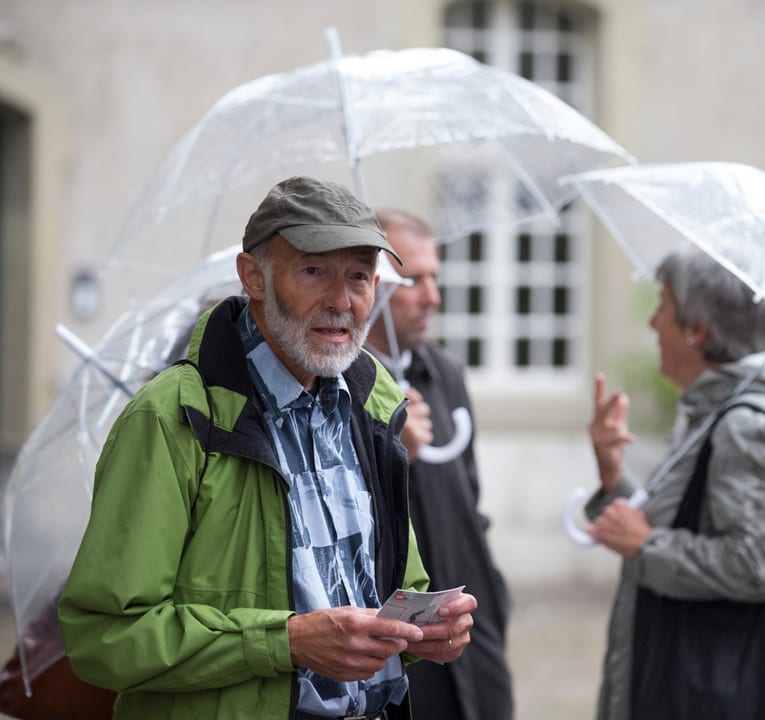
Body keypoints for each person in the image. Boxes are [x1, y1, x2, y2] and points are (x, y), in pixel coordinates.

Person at [57, 177, 477, 720]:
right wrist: (287, 641)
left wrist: (424, 627)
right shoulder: (173, 418)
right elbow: (103, 636)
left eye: (358, 277)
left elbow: (400, 587)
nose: (342, 301)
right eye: (313, 271)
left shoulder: (374, 406)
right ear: (253, 276)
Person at [585, 249, 765, 720]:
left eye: (664, 307)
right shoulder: (712, 412)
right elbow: (681, 524)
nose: (653, 323)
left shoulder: (744, 426)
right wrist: (613, 477)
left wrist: (646, 545)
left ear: (697, 332)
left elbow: (757, 563)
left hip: (713, 694)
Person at [364, 209, 513, 720]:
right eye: (415, 280)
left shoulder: (442, 371)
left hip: (471, 629)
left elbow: (468, 500)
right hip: (402, 640)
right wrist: (390, 443)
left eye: (435, 278)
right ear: (373, 284)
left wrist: (492, 596)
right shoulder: (345, 385)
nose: (433, 297)